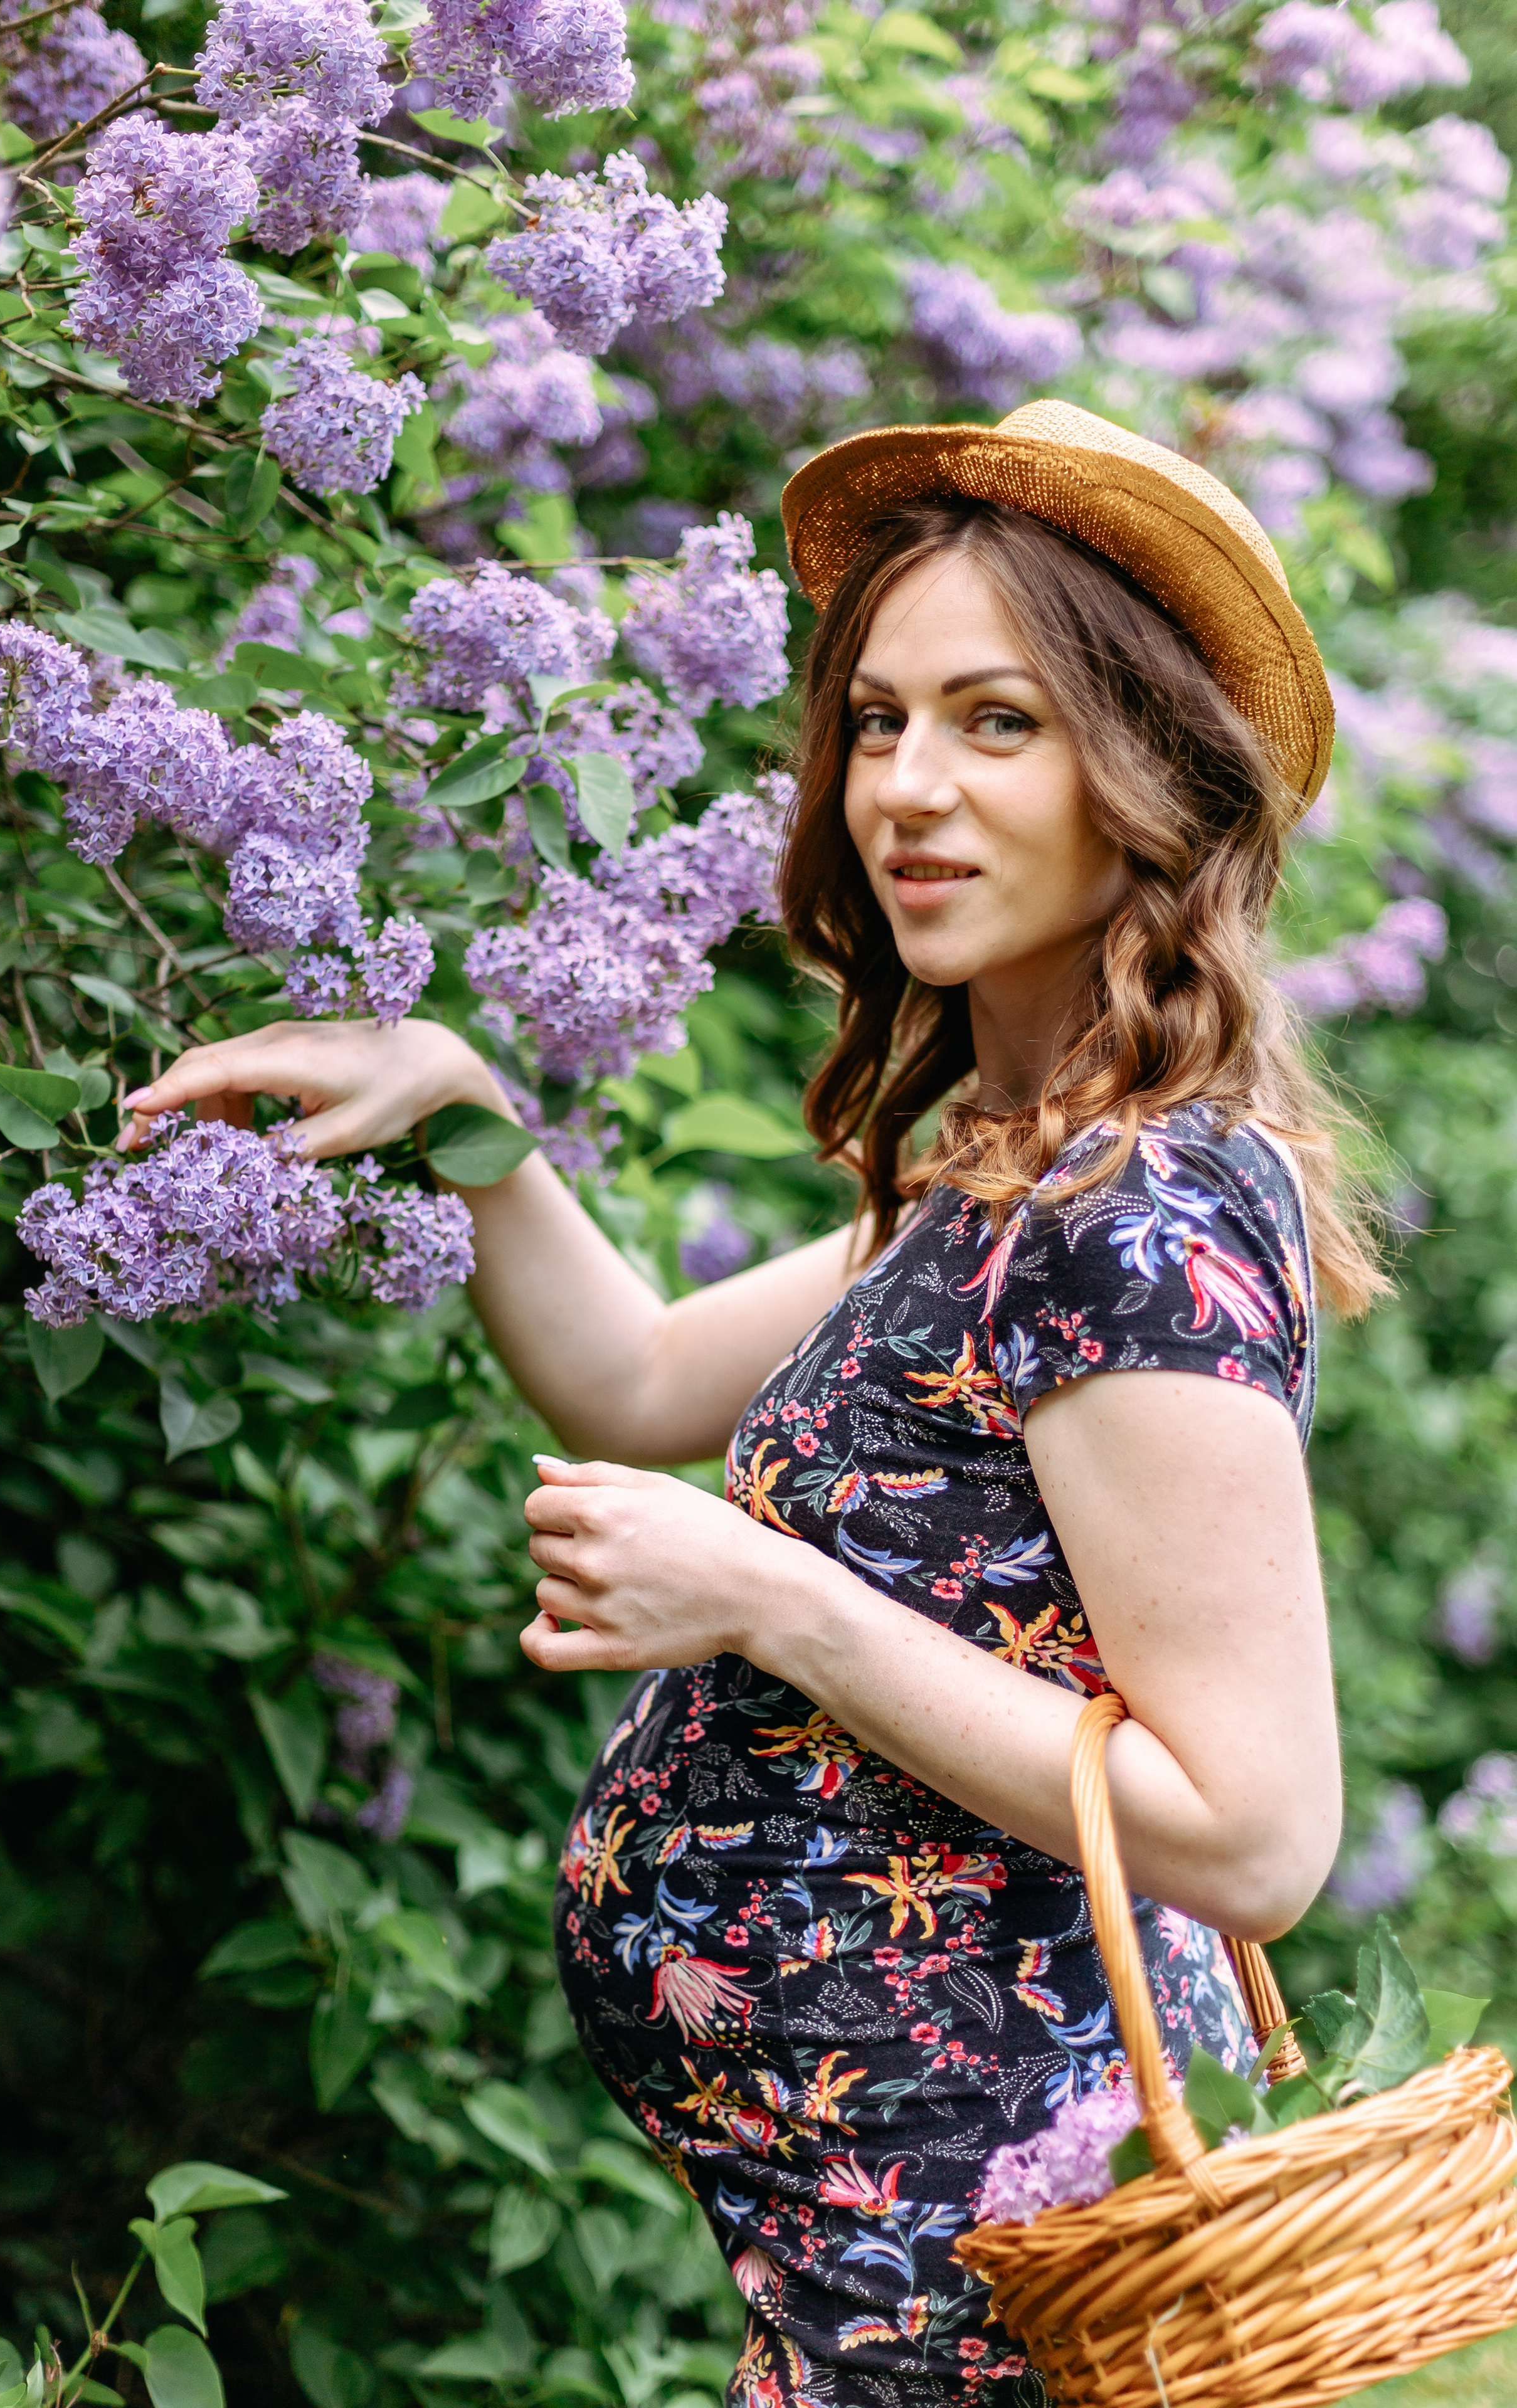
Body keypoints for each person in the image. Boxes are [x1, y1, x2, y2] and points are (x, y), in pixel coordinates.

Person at [120, 401, 1376, 2408]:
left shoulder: (1133, 1216)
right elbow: (630, 1378)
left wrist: (772, 1598)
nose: (906, 789)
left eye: (998, 722)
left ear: (1149, 777)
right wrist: (467, 1113)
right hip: (869, 2287)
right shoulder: (1000, 1174)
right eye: (875, 722)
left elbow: (1257, 1837)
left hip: (992, 2314)